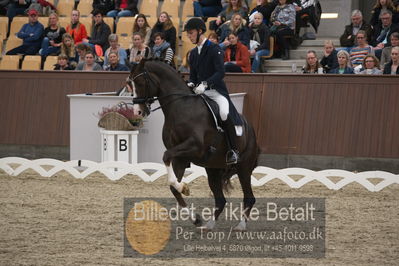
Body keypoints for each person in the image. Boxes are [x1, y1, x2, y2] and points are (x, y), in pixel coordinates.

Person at [184, 17, 242, 164]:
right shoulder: (193, 54)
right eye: (188, 34)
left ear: (200, 31)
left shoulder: (214, 49)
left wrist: (205, 83)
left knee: (223, 113)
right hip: (201, 93)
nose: (189, 36)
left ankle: (233, 150)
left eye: (191, 33)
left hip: (216, 92)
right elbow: (192, 76)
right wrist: (191, 84)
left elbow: (220, 73)